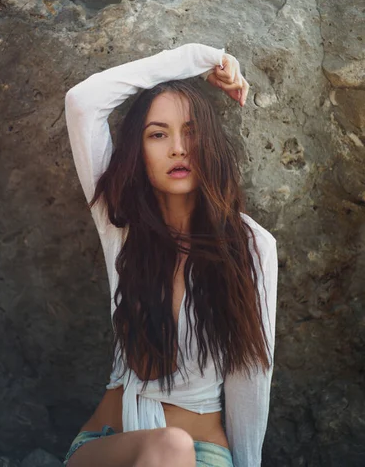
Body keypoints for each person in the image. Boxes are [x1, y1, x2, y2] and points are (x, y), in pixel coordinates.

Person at [63, 43, 278, 467]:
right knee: (169, 446)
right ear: (138, 152)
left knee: (176, 446)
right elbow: (82, 102)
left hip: (204, 454)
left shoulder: (250, 246)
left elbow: (251, 378)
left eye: (192, 132)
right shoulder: (119, 225)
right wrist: (202, 57)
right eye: (158, 134)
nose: (179, 148)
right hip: (110, 445)